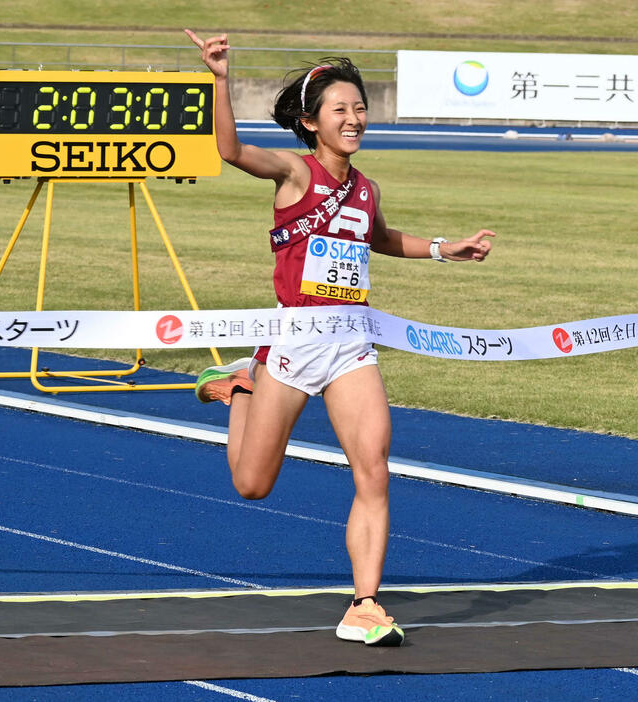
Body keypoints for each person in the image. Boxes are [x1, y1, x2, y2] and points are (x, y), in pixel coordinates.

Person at [185, 29, 495, 647]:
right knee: (252, 484)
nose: (354, 119)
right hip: (293, 343)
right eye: (340, 110)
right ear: (310, 122)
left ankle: (365, 605)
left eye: (360, 108)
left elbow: (376, 237)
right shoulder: (294, 172)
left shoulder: (365, 186)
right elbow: (230, 150)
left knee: (374, 469)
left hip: (352, 343)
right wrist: (219, 78)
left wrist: (443, 249)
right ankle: (241, 388)